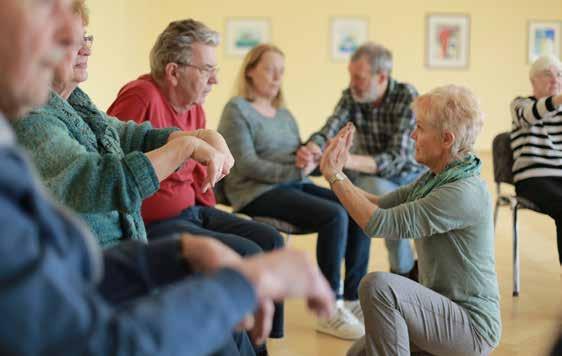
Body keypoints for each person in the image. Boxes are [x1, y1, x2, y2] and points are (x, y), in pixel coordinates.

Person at [0, 1, 335, 355]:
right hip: (154, 230)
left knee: (248, 278)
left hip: (145, 243)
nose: (72, 40)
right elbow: (90, 341)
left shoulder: (70, 107)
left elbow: (71, 282)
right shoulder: (41, 120)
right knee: (233, 301)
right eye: (43, 5)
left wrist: (181, 253)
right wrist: (238, 285)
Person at [13, 12, 262, 258]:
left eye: (86, 38)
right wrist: (184, 147)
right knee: (229, 262)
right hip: (90, 265)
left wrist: (199, 136)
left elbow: (130, 135)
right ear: (35, 48)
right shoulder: (30, 115)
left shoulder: (77, 104)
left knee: (258, 245)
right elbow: (96, 180)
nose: (86, 49)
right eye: (71, 40)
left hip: (128, 244)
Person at [107, 20, 286, 346]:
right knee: (247, 253)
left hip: (192, 209)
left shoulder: (195, 108)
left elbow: (196, 175)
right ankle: (245, 342)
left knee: (271, 241)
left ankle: (263, 338)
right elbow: (113, 163)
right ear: (173, 72)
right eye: (206, 69)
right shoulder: (141, 96)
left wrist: (211, 208)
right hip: (155, 222)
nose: (216, 79)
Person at [319, 85, 501, 355]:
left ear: (446, 139)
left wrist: (335, 176)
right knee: (357, 353)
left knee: (378, 286)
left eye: (420, 128)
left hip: (471, 327)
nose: (412, 135)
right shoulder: (437, 177)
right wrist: (339, 173)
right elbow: (380, 204)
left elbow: (377, 224)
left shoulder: (462, 192)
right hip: (438, 310)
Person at [217, 44, 367, 340]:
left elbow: (298, 160)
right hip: (254, 191)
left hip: (292, 185)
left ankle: (352, 298)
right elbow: (246, 165)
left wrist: (309, 157)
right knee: (335, 214)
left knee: (355, 204)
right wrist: (297, 170)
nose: (277, 78)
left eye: (281, 72)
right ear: (250, 71)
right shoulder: (237, 109)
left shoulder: (284, 114)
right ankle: (329, 307)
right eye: (270, 70)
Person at [298, 42, 423, 280]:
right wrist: (314, 147)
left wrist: (344, 160)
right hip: (370, 178)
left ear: (382, 77)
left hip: (408, 177)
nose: (352, 83)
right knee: (379, 194)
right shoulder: (351, 96)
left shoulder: (406, 96)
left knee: (387, 200)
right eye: (351, 76)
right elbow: (331, 127)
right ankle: (404, 273)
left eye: (360, 77)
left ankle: (405, 272)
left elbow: (396, 158)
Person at [510, 54, 562, 265]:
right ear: (533, 80)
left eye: (559, 75)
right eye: (548, 74)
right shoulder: (520, 104)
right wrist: (557, 100)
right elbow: (530, 114)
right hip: (532, 178)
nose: (555, 79)